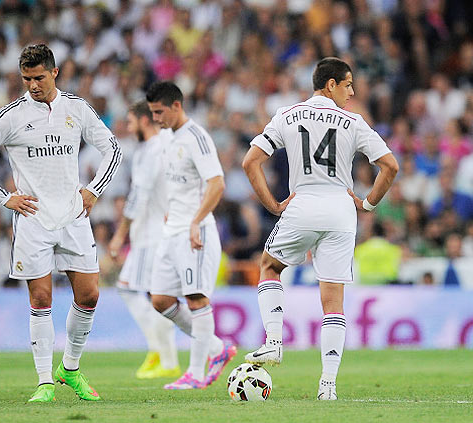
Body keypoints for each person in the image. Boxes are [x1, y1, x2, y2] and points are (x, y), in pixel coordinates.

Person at [0, 44, 121, 403]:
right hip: (33, 220)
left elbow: (113, 148)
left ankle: (71, 368)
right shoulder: (11, 116)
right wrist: (5, 197)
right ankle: (45, 381)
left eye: (38, 77)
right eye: (26, 78)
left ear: (55, 72)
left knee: (90, 295)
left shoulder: (76, 109)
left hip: (74, 215)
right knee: (41, 297)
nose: (32, 85)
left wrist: (94, 190)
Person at [241, 57, 399, 400]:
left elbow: (250, 161)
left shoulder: (287, 114)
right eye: (347, 84)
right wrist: (368, 203)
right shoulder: (353, 121)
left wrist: (273, 205)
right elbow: (390, 166)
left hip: (302, 204)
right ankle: (327, 386)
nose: (352, 91)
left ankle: (274, 342)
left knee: (269, 266)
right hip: (342, 212)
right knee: (333, 302)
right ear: (330, 84)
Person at [146, 81, 236, 390]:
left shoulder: (197, 137)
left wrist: (196, 221)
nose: (156, 119)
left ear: (176, 106)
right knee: (160, 300)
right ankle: (216, 348)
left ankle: (195, 374)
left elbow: (217, 183)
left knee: (196, 298)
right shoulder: (168, 138)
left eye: (159, 112)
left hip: (194, 233)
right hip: (171, 232)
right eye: (152, 113)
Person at [108, 100, 180, 380]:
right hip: (156, 232)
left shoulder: (152, 151)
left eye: (130, 122)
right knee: (152, 296)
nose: (128, 127)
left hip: (151, 236)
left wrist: (119, 235)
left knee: (136, 291)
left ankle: (162, 353)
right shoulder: (159, 146)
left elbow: (139, 196)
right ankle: (163, 355)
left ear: (144, 121)